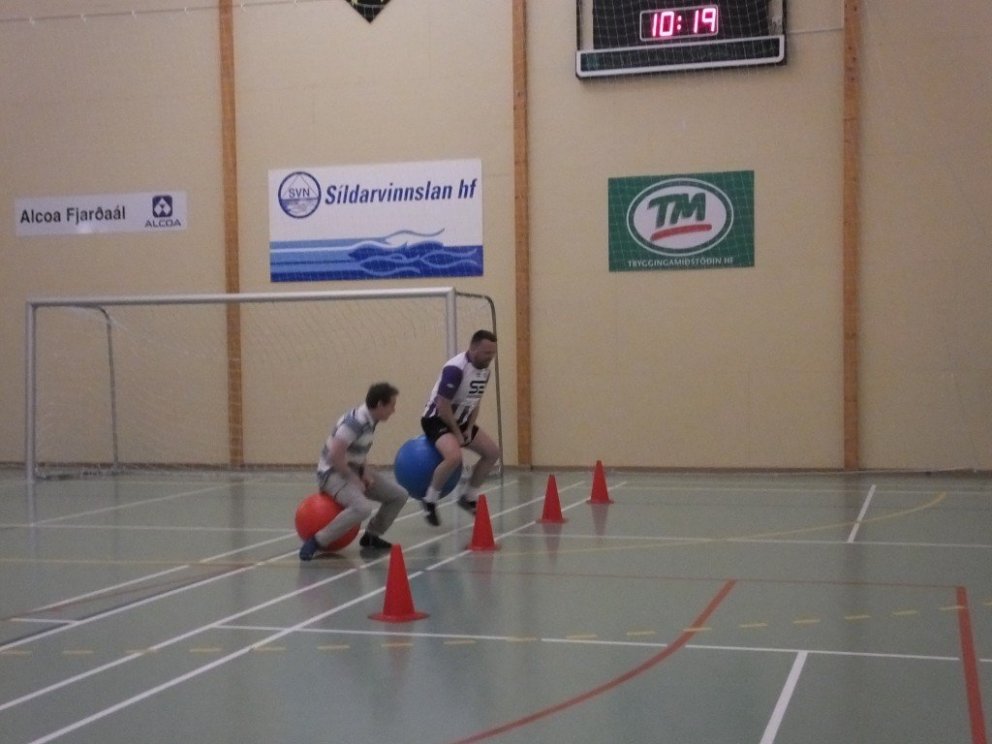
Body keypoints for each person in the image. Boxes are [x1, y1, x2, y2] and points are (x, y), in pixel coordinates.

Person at [299, 382, 409, 561]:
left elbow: (358, 452)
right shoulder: (354, 423)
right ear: (380, 405)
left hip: (353, 469)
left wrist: (364, 472)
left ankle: (371, 536)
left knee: (399, 495)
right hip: (331, 473)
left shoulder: (370, 421)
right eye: (392, 406)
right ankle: (317, 541)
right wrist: (353, 479)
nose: (393, 411)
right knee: (362, 508)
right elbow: (335, 456)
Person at [419, 329, 501, 526]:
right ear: (473, 348)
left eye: (493, 353)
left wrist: (469, 428)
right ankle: (429, 500)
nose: (490, 357)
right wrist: (457, 433)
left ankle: (469, 496)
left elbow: (475, 401)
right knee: (454, 457)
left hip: (461, 420)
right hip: (436, 419)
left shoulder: (485, 371)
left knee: (492, 453)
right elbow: (443, 405)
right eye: (486, 353)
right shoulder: (455, 369)